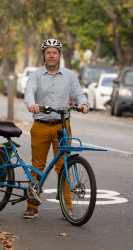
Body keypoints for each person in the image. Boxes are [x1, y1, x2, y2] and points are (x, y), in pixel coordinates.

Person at [23, 38, 89, 219]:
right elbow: (29, 91)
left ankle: (67, 207)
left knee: (63, 167)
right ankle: (32, 206)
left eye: (54, 52)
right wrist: (32, 104)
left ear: (59, 55)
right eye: (48, 52)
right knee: (37, 166)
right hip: (41, 125)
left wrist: (83, 104)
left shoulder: (69, 75)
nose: (51, 55)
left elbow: (79, 94)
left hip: (62, 126)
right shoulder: (35, 75)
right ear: (43, 55)